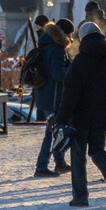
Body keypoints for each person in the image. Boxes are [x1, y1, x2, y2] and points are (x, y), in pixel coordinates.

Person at [58, 24, 106, 206]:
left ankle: (80, 197)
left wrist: (62, 120)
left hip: (81, 117)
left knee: (78, 156)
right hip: (103, 116)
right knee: (97, 150)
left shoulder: (79, 62)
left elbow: (70, 94)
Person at [28, 21, 71, 177]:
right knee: (54, 132)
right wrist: (71, 70)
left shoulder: (44, 46)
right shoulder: (57, 50)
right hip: (53, 98)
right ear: (64, 33)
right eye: (70, 34)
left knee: (55, 130)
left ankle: (59, 163)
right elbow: (58, 74)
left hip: (43, 95)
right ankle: (42, 166)